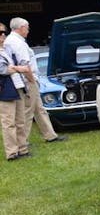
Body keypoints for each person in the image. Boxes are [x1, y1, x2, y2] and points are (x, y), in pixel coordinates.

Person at [5, 17, 66, 146]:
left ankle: (50, 135)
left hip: (27, 79)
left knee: (39, 109)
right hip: (28, 80)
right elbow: (25, 65)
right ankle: (23, 141)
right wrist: (32, 81)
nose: (28, 30)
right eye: (27, 28)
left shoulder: (13, 40)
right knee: (28, 111)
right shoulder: (18, 43)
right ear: (21, 28)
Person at [0, 23, 30, 160]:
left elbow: (13, 67)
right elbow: (4, 70)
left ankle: (23, 149)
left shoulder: (6, 49)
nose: (3, 35)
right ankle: (12, 153)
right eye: (0, 33)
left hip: (17, 87)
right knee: (8, 123)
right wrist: (18, 68)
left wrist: (15, 67)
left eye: (3, 32)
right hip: (5, 90)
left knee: (20, 120)